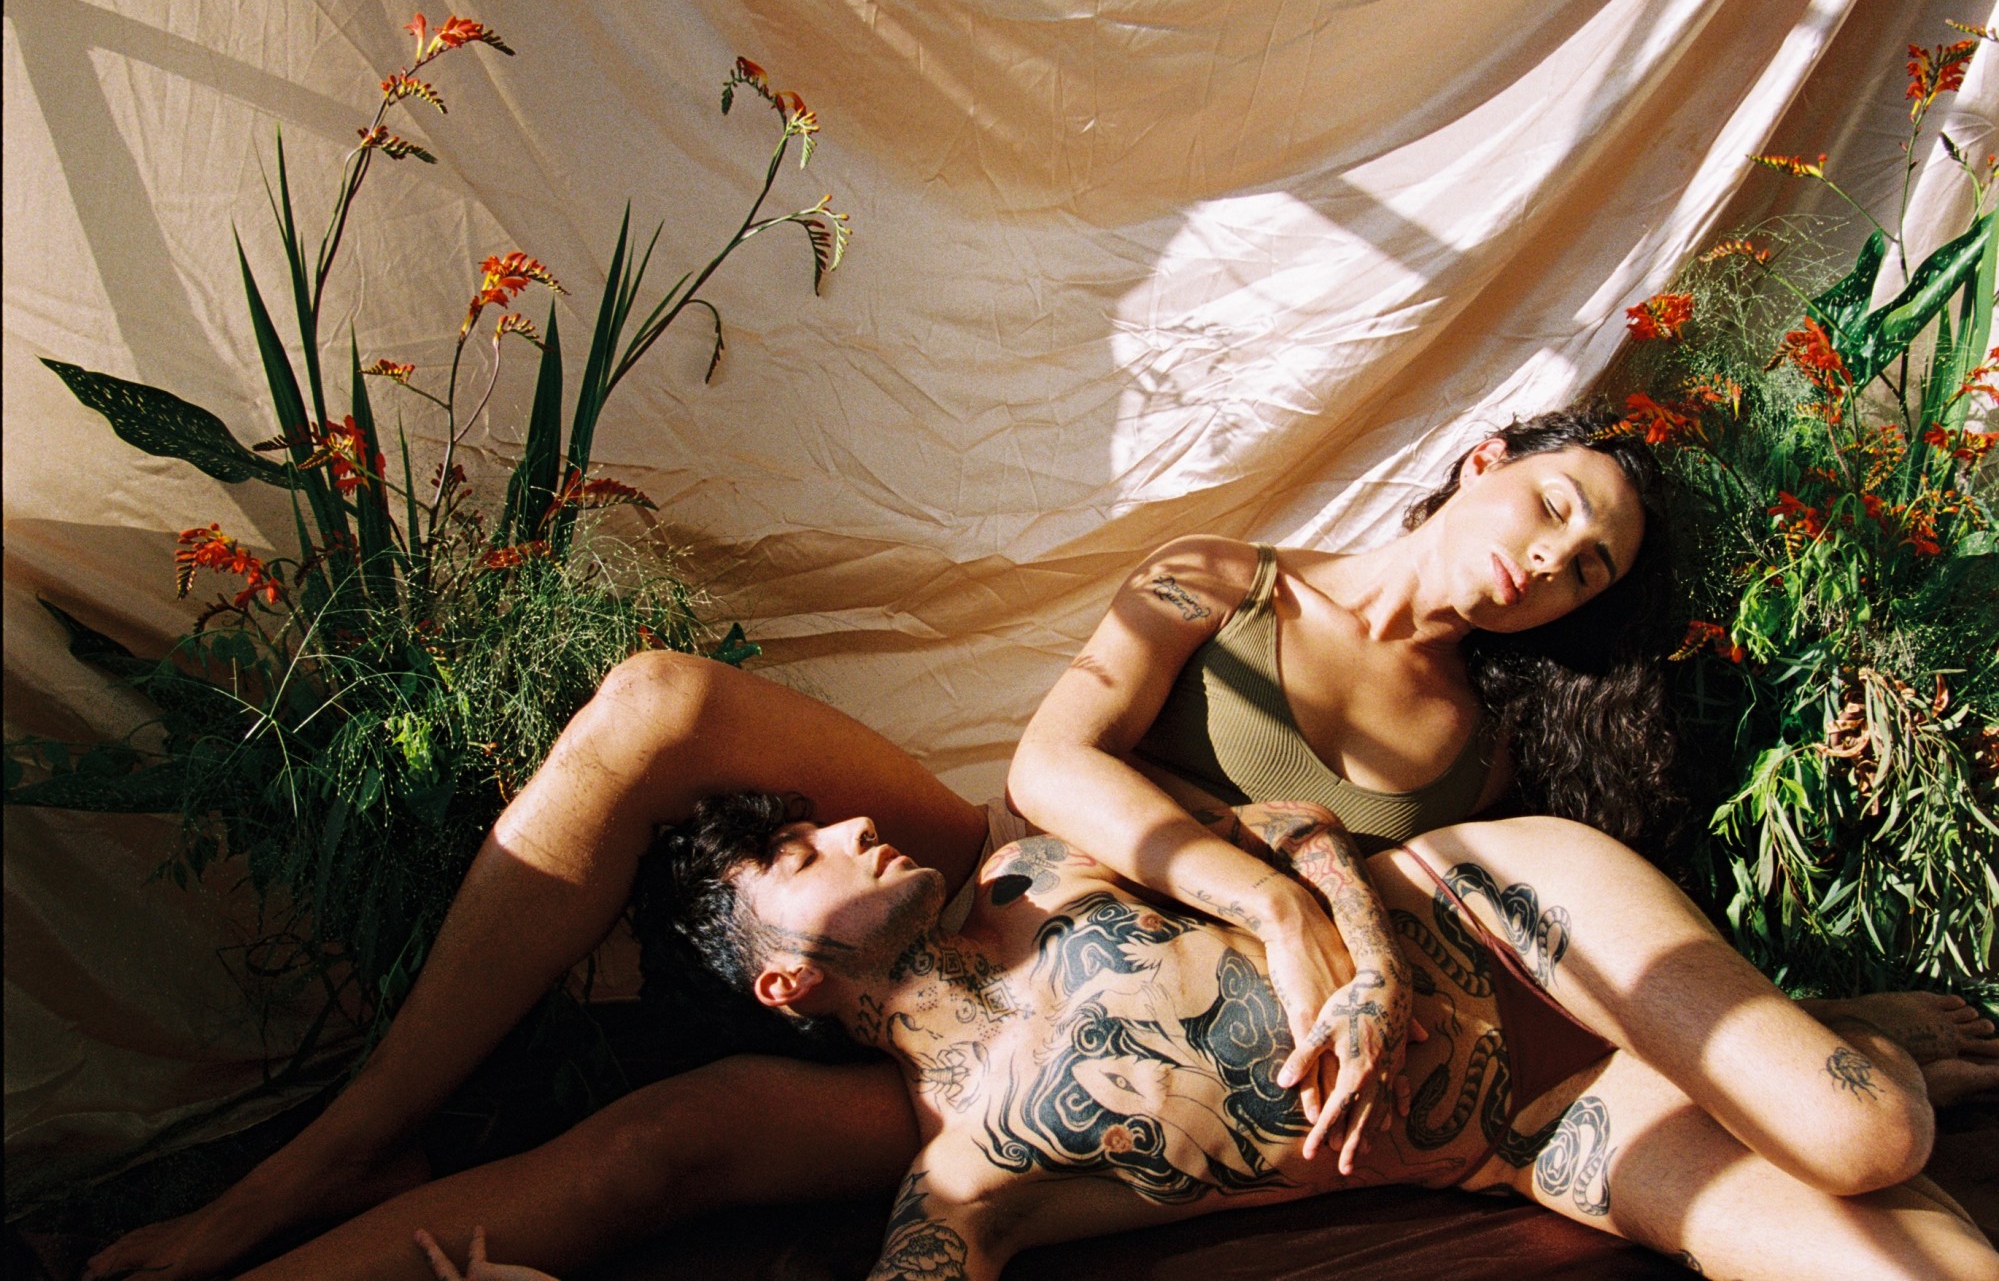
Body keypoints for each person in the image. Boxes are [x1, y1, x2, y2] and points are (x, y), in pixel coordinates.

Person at [84, 413, 1999, 1281]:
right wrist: (1261, 879)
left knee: (672, 1148)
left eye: (1587, 573)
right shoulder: (1221, 576)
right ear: (1483, 457)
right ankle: (334, 1158)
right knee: (661, 707)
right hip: (1020, 888)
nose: (1554, 564)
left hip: (1249, 1013)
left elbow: (1533, 947)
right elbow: (1055, 761)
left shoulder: (1502, 741)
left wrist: (1338, 911)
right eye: (1560, 509)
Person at [590, 790, 1996, 1281]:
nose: (846, 825)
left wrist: (1360, 944)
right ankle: (1748, 1046)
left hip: (1499, 911)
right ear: (785, 983)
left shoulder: (1036, 862)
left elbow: (1272, 825)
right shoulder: (962, 1178)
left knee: (1868, 1128)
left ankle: (1814, 1031)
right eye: (795, 852)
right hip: (1534, 1138)